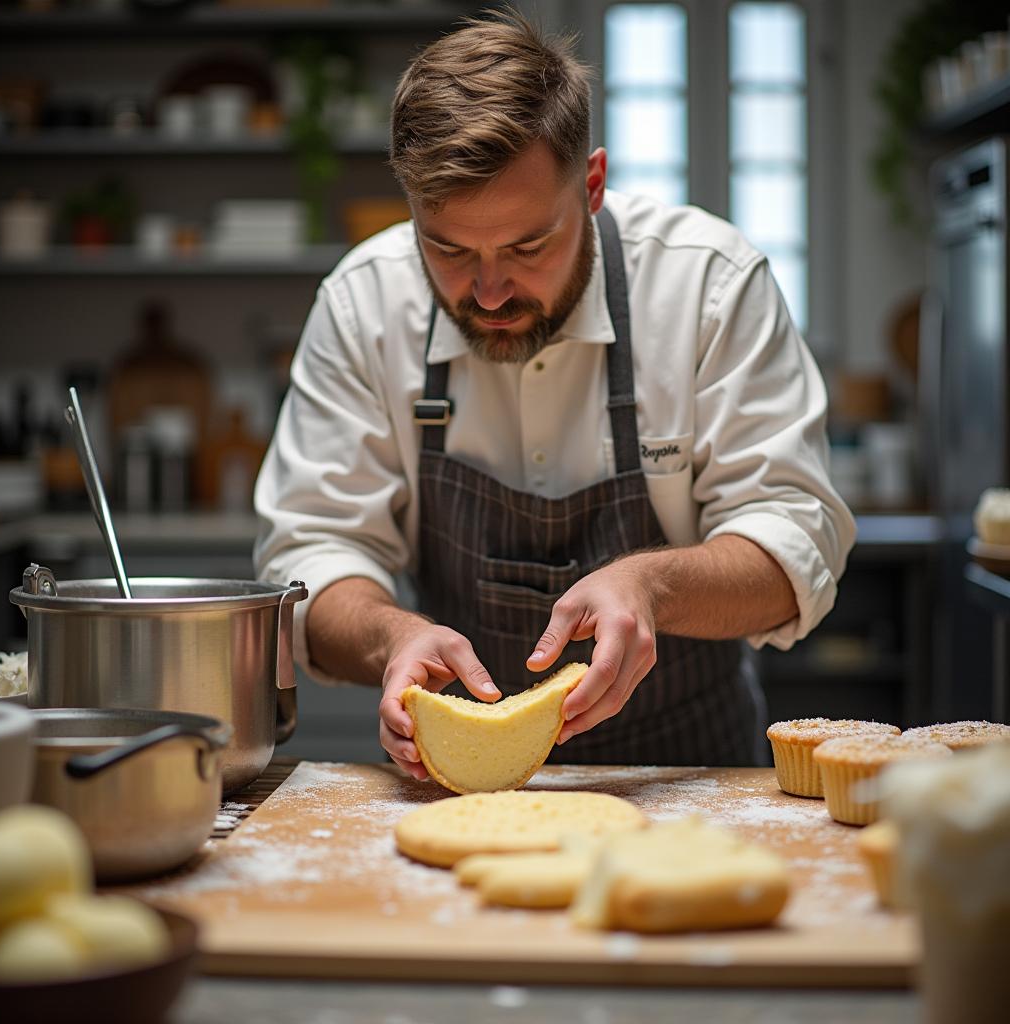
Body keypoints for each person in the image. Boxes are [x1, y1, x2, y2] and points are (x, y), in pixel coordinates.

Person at [254, 10, 855, 776]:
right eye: (448, 248)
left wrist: (652, 585)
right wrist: (391, 636)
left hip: (689, 784)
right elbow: (309, 555)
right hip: (461, 793)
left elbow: (794, 544)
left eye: (528, 246)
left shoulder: (708, 284)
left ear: (593, 184)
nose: (492, 292)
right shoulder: (363, 305)